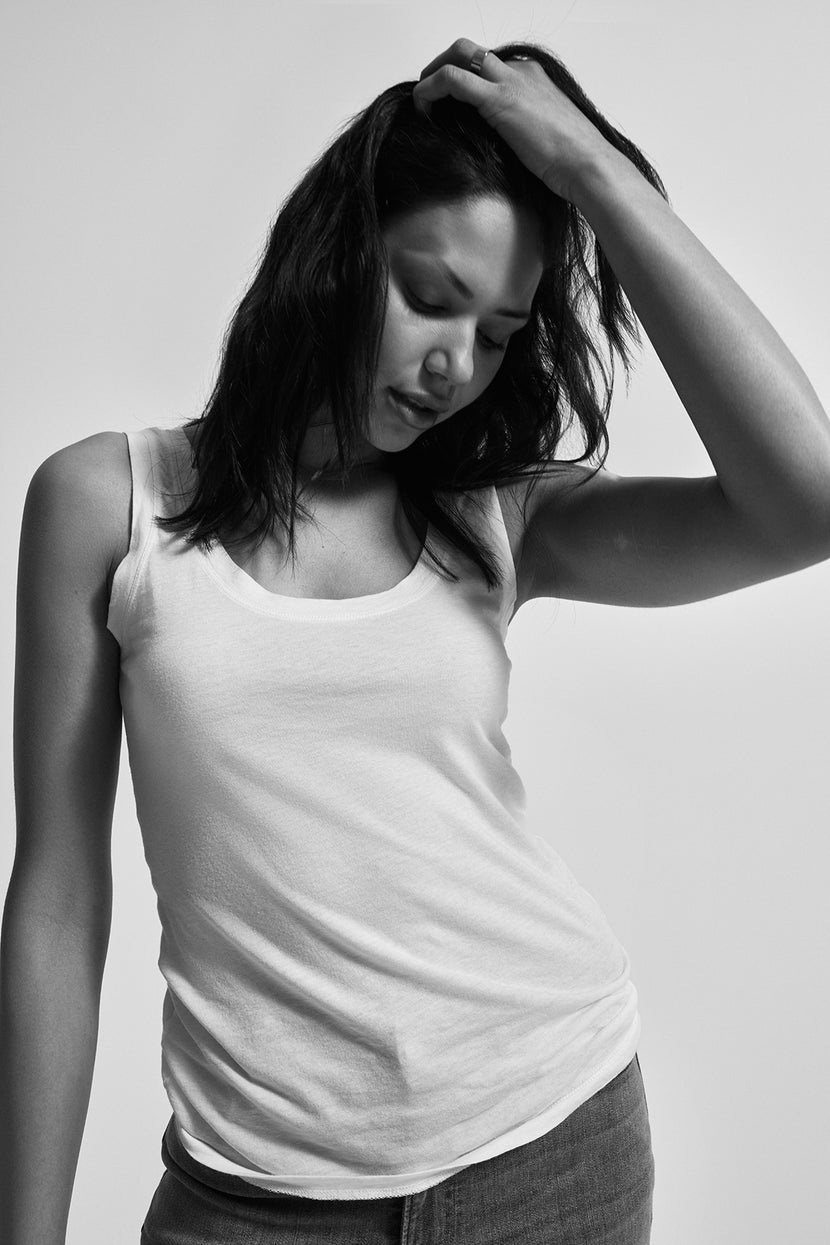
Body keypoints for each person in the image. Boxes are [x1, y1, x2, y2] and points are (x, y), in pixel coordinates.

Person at [3, 34, 829, 1245]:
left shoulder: (495, 517)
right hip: (257, 1200)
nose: (455, 362)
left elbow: (804, 500)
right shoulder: (103, 506)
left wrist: (594, 175)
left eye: (497, 330)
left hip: (551, 1149)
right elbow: (60, 899)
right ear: (333, 259)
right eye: (428, 296)